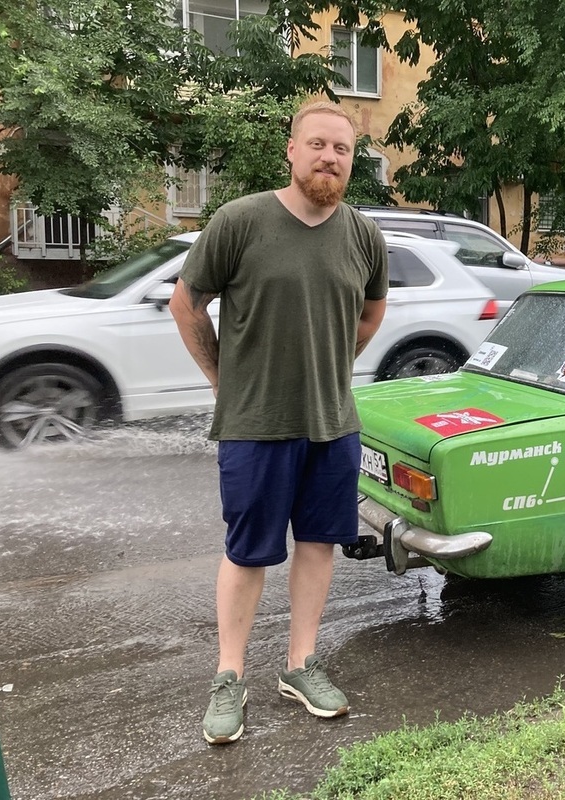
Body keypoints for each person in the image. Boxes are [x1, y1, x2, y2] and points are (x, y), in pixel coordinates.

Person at [169, 100, 388, 745]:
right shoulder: (239, 221)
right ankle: (229, 677)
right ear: (291, 151)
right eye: (317, 144)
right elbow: (186, 305)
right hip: (255, 422)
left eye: (341, 149)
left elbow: (372, 316)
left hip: (333, 422)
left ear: (351, 162)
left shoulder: (363, 235)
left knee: (319, 543)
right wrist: (224, 382)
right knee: (248, 551)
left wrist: (330, 364)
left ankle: (301, 665)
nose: (329, 157)